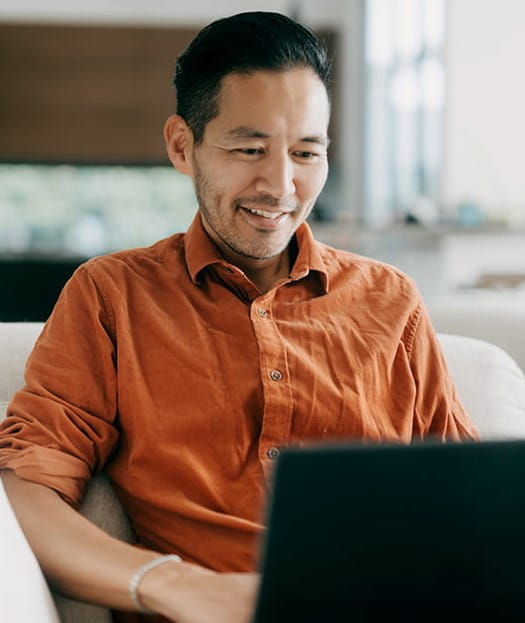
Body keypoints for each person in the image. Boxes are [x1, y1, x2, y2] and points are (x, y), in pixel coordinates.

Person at [0, 11, 478, 623]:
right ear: (182, 145)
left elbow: (469, 499)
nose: (280, 185)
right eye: (249, 149)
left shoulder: (391, 302)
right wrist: (172, 584)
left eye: (307, 151)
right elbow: (26, 488)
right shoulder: (111, 296)